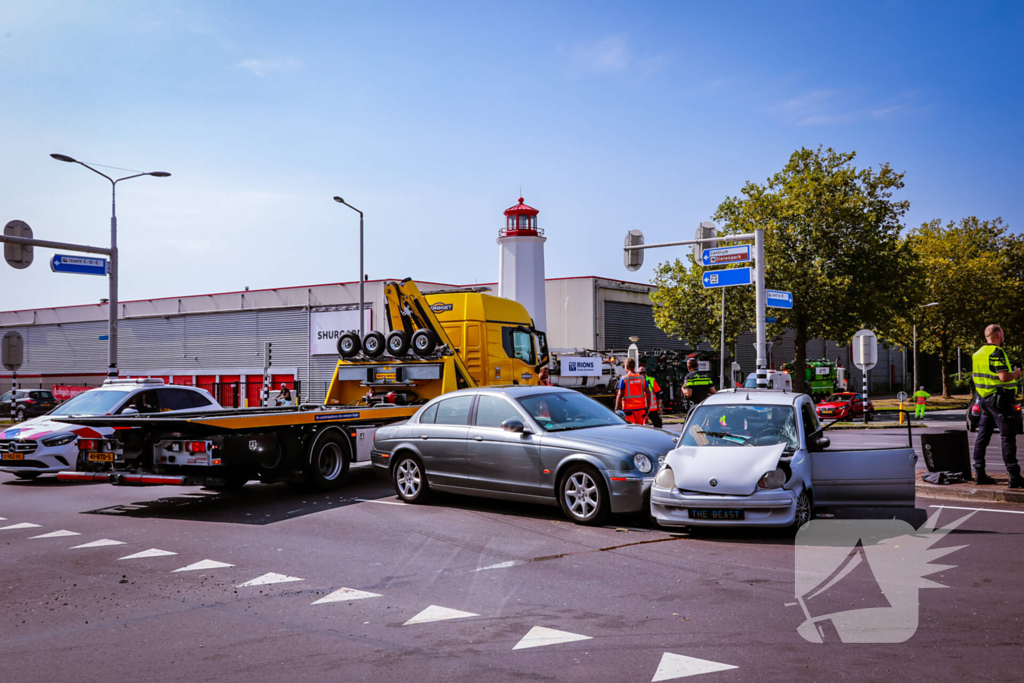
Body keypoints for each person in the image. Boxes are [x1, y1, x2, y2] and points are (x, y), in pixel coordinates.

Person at [972, 324, 1024, 488]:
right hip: (1000, 400)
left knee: (983, 436)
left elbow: (975, 378)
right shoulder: (997, 352)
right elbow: (1003, 377)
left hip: (985, 399)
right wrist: (1016, 374)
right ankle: (1013, 476)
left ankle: (979, 473)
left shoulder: (977, 354)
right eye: (1002, 334)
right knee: (1007, 437)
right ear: (998, 335)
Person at [614, 357, 651, 425]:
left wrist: (616, 410)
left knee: (630, 431)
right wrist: (648, 408)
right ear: (634, 366)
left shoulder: (624, 379)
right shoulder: (642, 378)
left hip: (628, 410)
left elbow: (620, 395)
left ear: (627, 366)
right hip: (641, 409)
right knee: (639, 429)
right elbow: (648, 393)